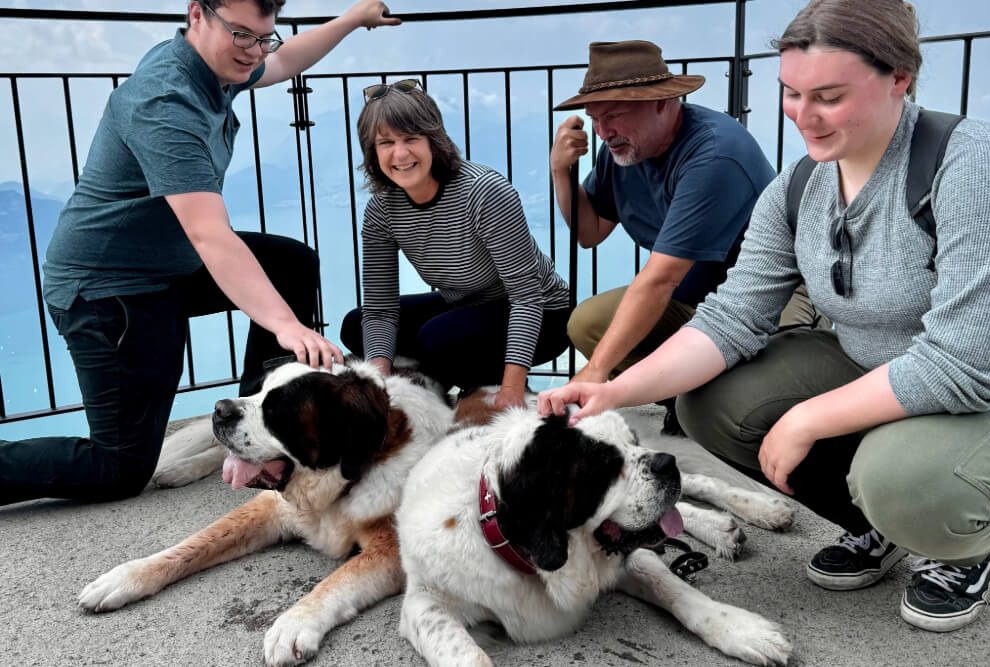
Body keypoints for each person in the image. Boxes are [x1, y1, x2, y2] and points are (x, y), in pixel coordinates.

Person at [539, 0, 990, 634]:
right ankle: (880, 527)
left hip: (982, 388)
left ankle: (960, 543)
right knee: (709, 403)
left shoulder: (971, 163)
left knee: (897, 476)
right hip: (878, 361)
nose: (803, 116)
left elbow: (964, 361)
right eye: (790, 93)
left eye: (829, 97)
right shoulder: (799, 185)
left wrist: (809, 417)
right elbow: (730, 318)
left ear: (900, 77)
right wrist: (610, 389)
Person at [0, 0, 399, 507]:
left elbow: (283, 61)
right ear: (196, 14)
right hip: (108, 289)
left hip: (165, 265)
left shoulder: (219, 64)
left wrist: (351, 19)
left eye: (262, 36)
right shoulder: (165, 102)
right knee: (117, 468)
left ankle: (253, 426)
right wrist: (287, 325)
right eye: (241, 35)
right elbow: (211, 235)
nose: (254, 51)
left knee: (291, 264)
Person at [549, 40, 820, 433]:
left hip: (773, 295)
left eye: (614, 115)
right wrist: (561, 172)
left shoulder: (715, 154)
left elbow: (660, 279)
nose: (603, 132)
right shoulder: (622, 149)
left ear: (663, 102)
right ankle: (682, 395)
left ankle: (701, 397)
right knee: (588, 323)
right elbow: (590, 233)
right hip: (695, 293)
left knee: (748, 404)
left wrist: (595, 372)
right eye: (594, 118)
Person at [339, 80, 571, 409]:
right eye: (386, 142)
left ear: (433, 140)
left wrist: (512, 389)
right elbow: (380, 308)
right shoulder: (381, 209)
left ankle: (484, 383)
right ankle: (439, 377)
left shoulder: (483, 192)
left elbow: (526, 297)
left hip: (544, 313)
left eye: (411, 138)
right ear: (373, 153)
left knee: (439, 338)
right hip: (465, 304)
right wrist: (380, 382)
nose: (400, 153)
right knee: (356, 324)